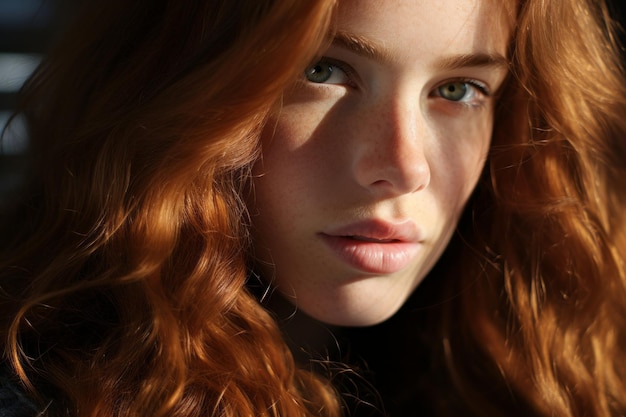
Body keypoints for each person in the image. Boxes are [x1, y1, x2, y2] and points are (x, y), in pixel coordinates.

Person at [1, 0, 625, 416]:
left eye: (457, 90)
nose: (406, 166)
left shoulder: (541, 368)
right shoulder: (40, 390)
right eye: (324, 71)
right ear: (179, 86)